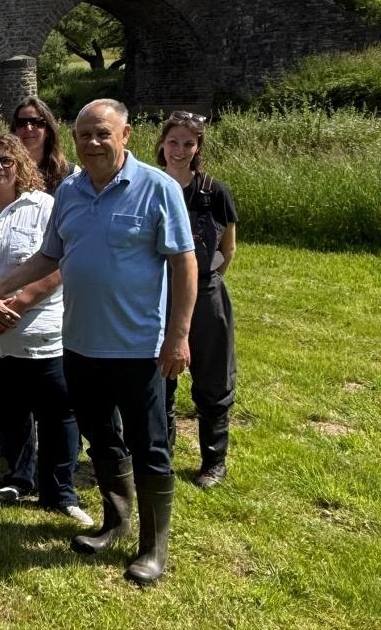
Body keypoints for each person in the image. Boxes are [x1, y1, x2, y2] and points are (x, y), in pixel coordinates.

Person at [0, 99, 197, 585]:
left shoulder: (158, 189)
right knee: (101, 439)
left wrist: (178, 336)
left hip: (139, 348)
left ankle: (153, 546)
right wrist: (4, 283)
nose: (93, 142)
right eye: (84, 134)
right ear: (73, 139)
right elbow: (48, 255)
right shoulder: (71, 192)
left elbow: (184, 264)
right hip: (79, 345)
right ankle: (115, 523)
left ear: (127, 135)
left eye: (103, 133)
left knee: (150, 447)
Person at [0, 134, 91, 526]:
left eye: (8, 161)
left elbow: (61, 263)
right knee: (7, 411)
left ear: (22, 165)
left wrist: (21, 302)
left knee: (57, 411)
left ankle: (60, 492)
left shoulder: (46, 208)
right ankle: (20, 478)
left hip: (38, 330)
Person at [155, 110, 238, 489]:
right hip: (155, 293)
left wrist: (203, 283)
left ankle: (213, 461)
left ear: (198, 147)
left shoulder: (214, 191)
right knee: (159, 377)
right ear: (162, 144)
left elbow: (228, 248)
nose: (180, 150)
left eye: (189, 143)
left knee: (212, 377)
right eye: (174, 142)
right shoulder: (151, 185)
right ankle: (161, 455)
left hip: (205, 294)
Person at [10, 96, 73, 195]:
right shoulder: (5, 171)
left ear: (48, 130)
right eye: (21, 123)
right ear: (15, 130)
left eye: (36, 122)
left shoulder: (69, 174)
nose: (29, 128)